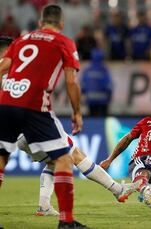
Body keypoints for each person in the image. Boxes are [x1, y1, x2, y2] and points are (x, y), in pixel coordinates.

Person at [0, 5, 88, 228]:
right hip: (34, 105)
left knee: (1, 158)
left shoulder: (21, 39)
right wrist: (77, 112)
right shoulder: (64, 42)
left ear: (40, 23)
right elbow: (71, 81)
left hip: (6, 100)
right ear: (61, 25)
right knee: (63, 158)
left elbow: (3, 67)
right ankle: (66, 221)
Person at [16, 134, 135, 216]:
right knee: (75, 154)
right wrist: (77, 113)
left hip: (19, 136)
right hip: (35, 126)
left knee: (53, 163)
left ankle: (44, 206)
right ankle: (117, 189)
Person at [81, 48, 113, 116]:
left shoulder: (87, 70)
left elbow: (83, 86)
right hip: (103, 101)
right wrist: (109, 96)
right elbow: (108, 86)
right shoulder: (104, 70)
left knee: (92, 121)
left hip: (91, 100)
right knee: (103, 122)